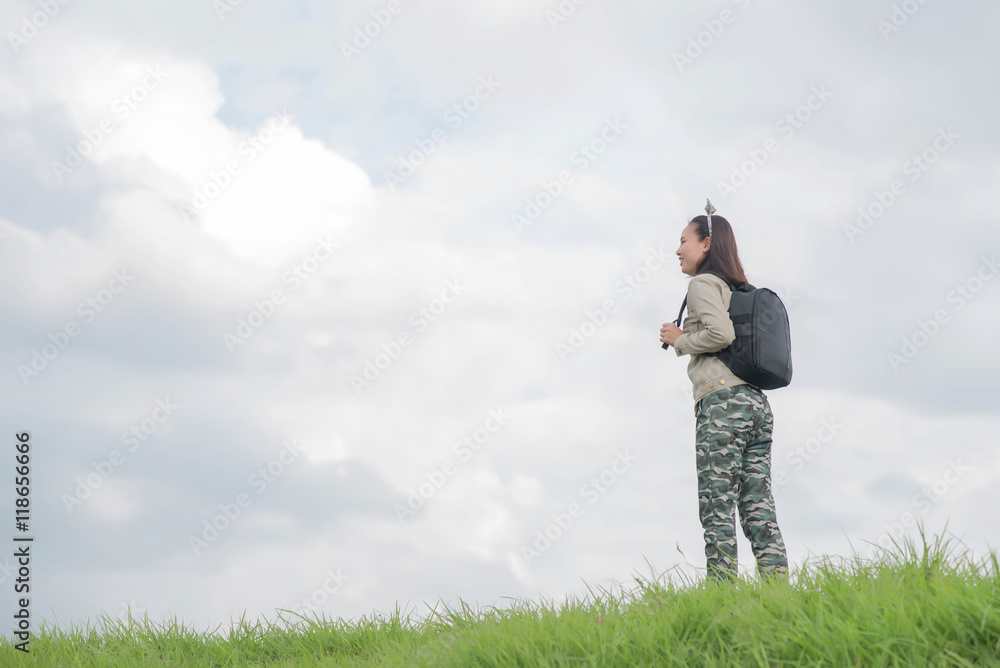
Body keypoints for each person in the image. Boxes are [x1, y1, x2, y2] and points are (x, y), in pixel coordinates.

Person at [658, 203, 788, 584]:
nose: (678, 250)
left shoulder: (701, 285)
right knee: (757, 506)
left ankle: (721, 595)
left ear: (706, 244)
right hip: (755, 405)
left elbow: (721, 335)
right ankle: (779, 592)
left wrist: (681, 339)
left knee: (716, 506)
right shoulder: (734, 289)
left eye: (684, 241)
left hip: (723, 404)